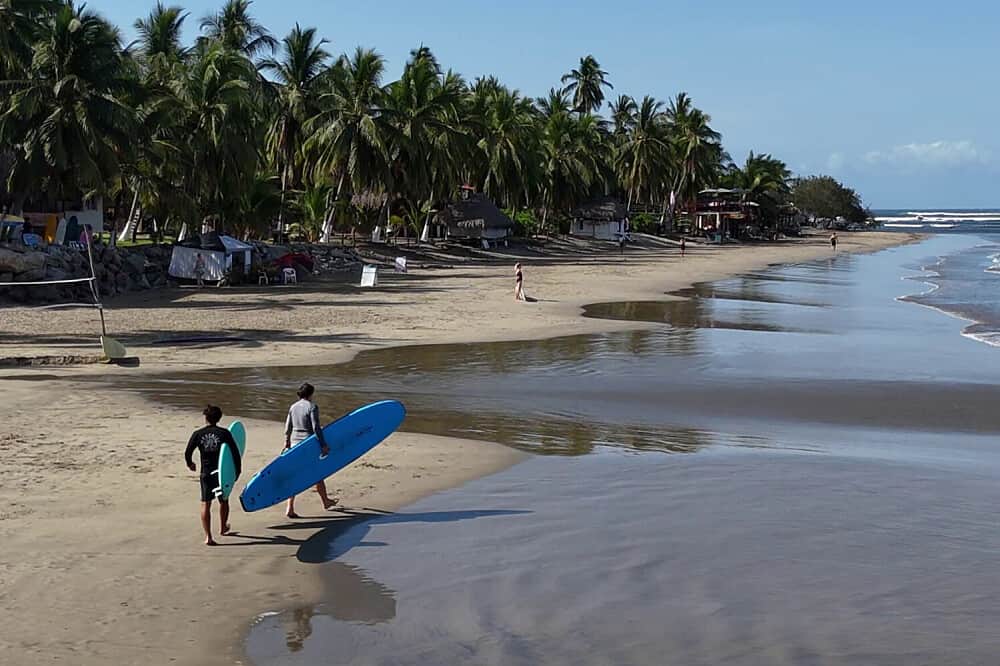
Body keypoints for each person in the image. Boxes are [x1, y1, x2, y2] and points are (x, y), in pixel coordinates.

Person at [185, 405, 241, 546]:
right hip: (222, 473)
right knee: (224, 500)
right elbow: (235, 453)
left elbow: (188, 452)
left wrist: (190, 463)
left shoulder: (198, 434)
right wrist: (237, 470)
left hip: (206, 473)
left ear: (206, 418)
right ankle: (222, 528)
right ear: (219, 418)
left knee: (206, 504)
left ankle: (208, 537)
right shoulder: (224, 433)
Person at [284, 383, 337, 518]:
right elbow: (316, 427)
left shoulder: (293, 407)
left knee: (295, 474)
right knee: (317, 473)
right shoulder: (312, 407)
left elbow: (288, 427)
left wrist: (287, 442)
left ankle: (289, 507)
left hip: (295, 444)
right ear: (311, 394)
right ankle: (325, 501)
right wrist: (323, 444)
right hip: (308, 444)